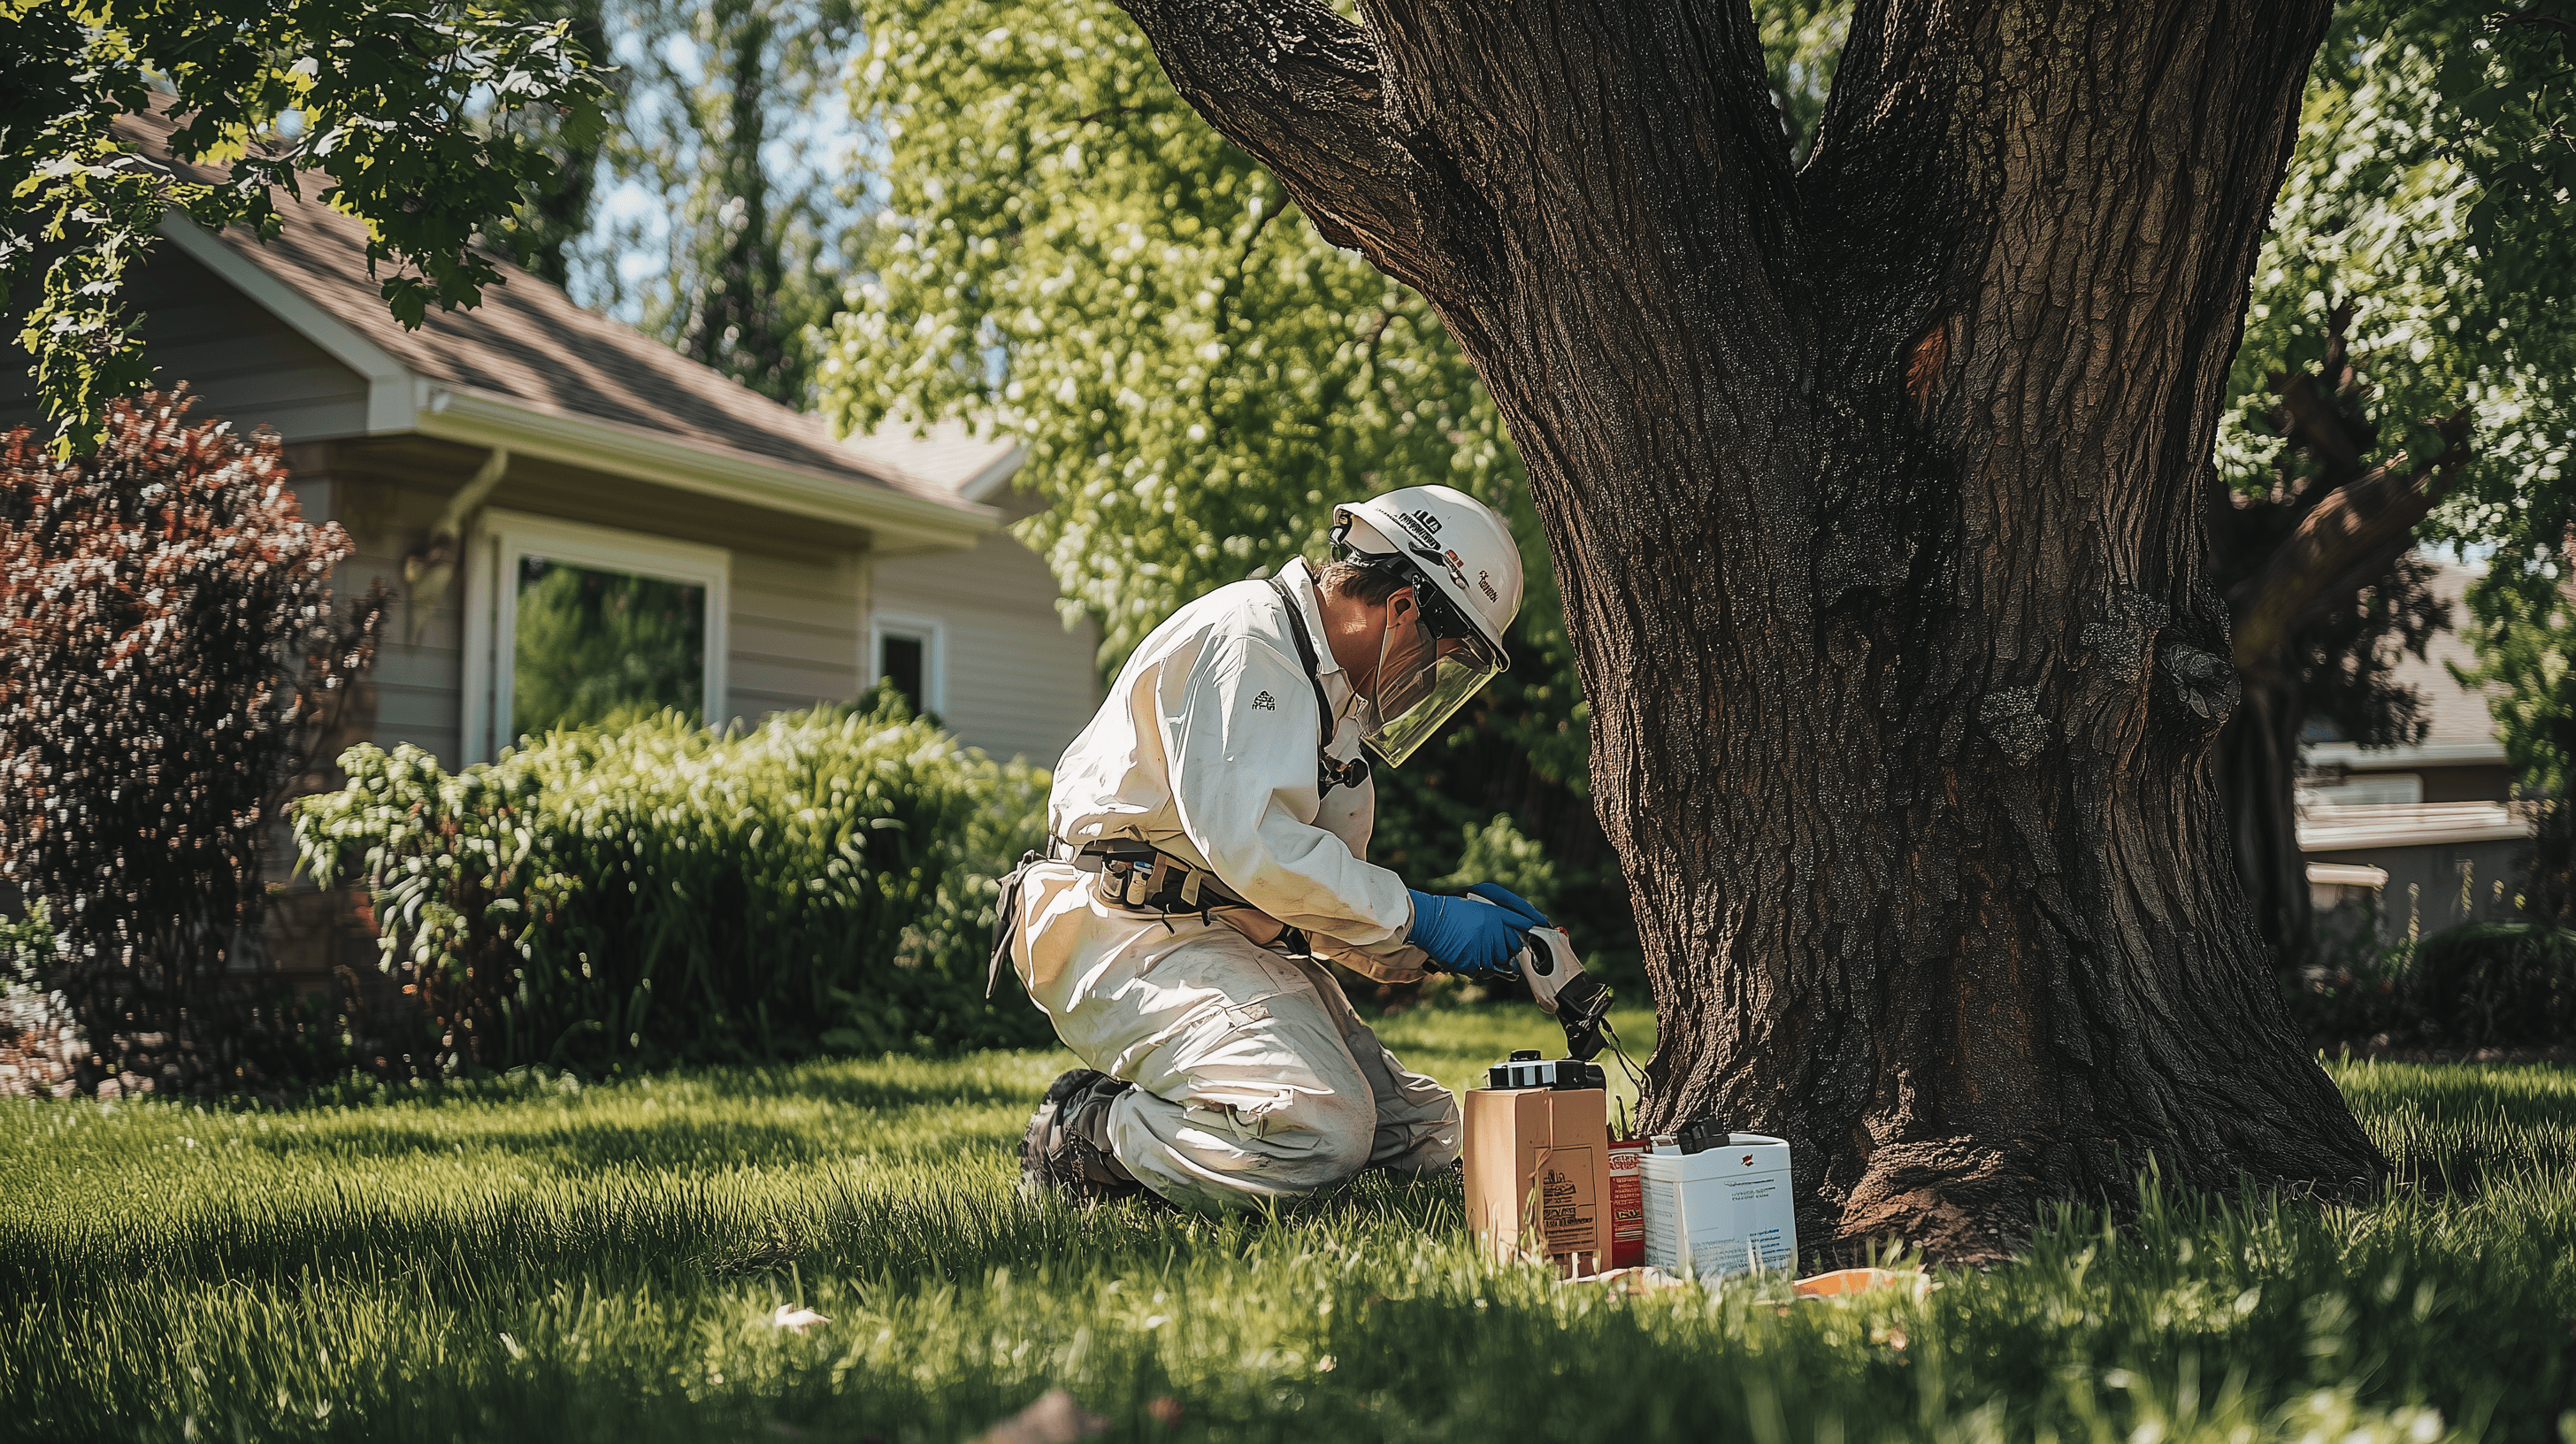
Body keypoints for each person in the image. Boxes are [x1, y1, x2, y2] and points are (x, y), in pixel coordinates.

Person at [991, 484, 1552, 1211]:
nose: (1431, 683)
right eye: (1446, 656)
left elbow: (1312, 903)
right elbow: (1256, 851)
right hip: (1123, 930)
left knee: (1425, 1135)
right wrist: (1423, 915)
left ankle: (1189, 1107)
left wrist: (1443, 943)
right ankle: (1090, 1132)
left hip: (1214, 936)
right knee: (1321, 1133)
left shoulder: (1333, 703)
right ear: (1404, 608)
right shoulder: (1248, 643)